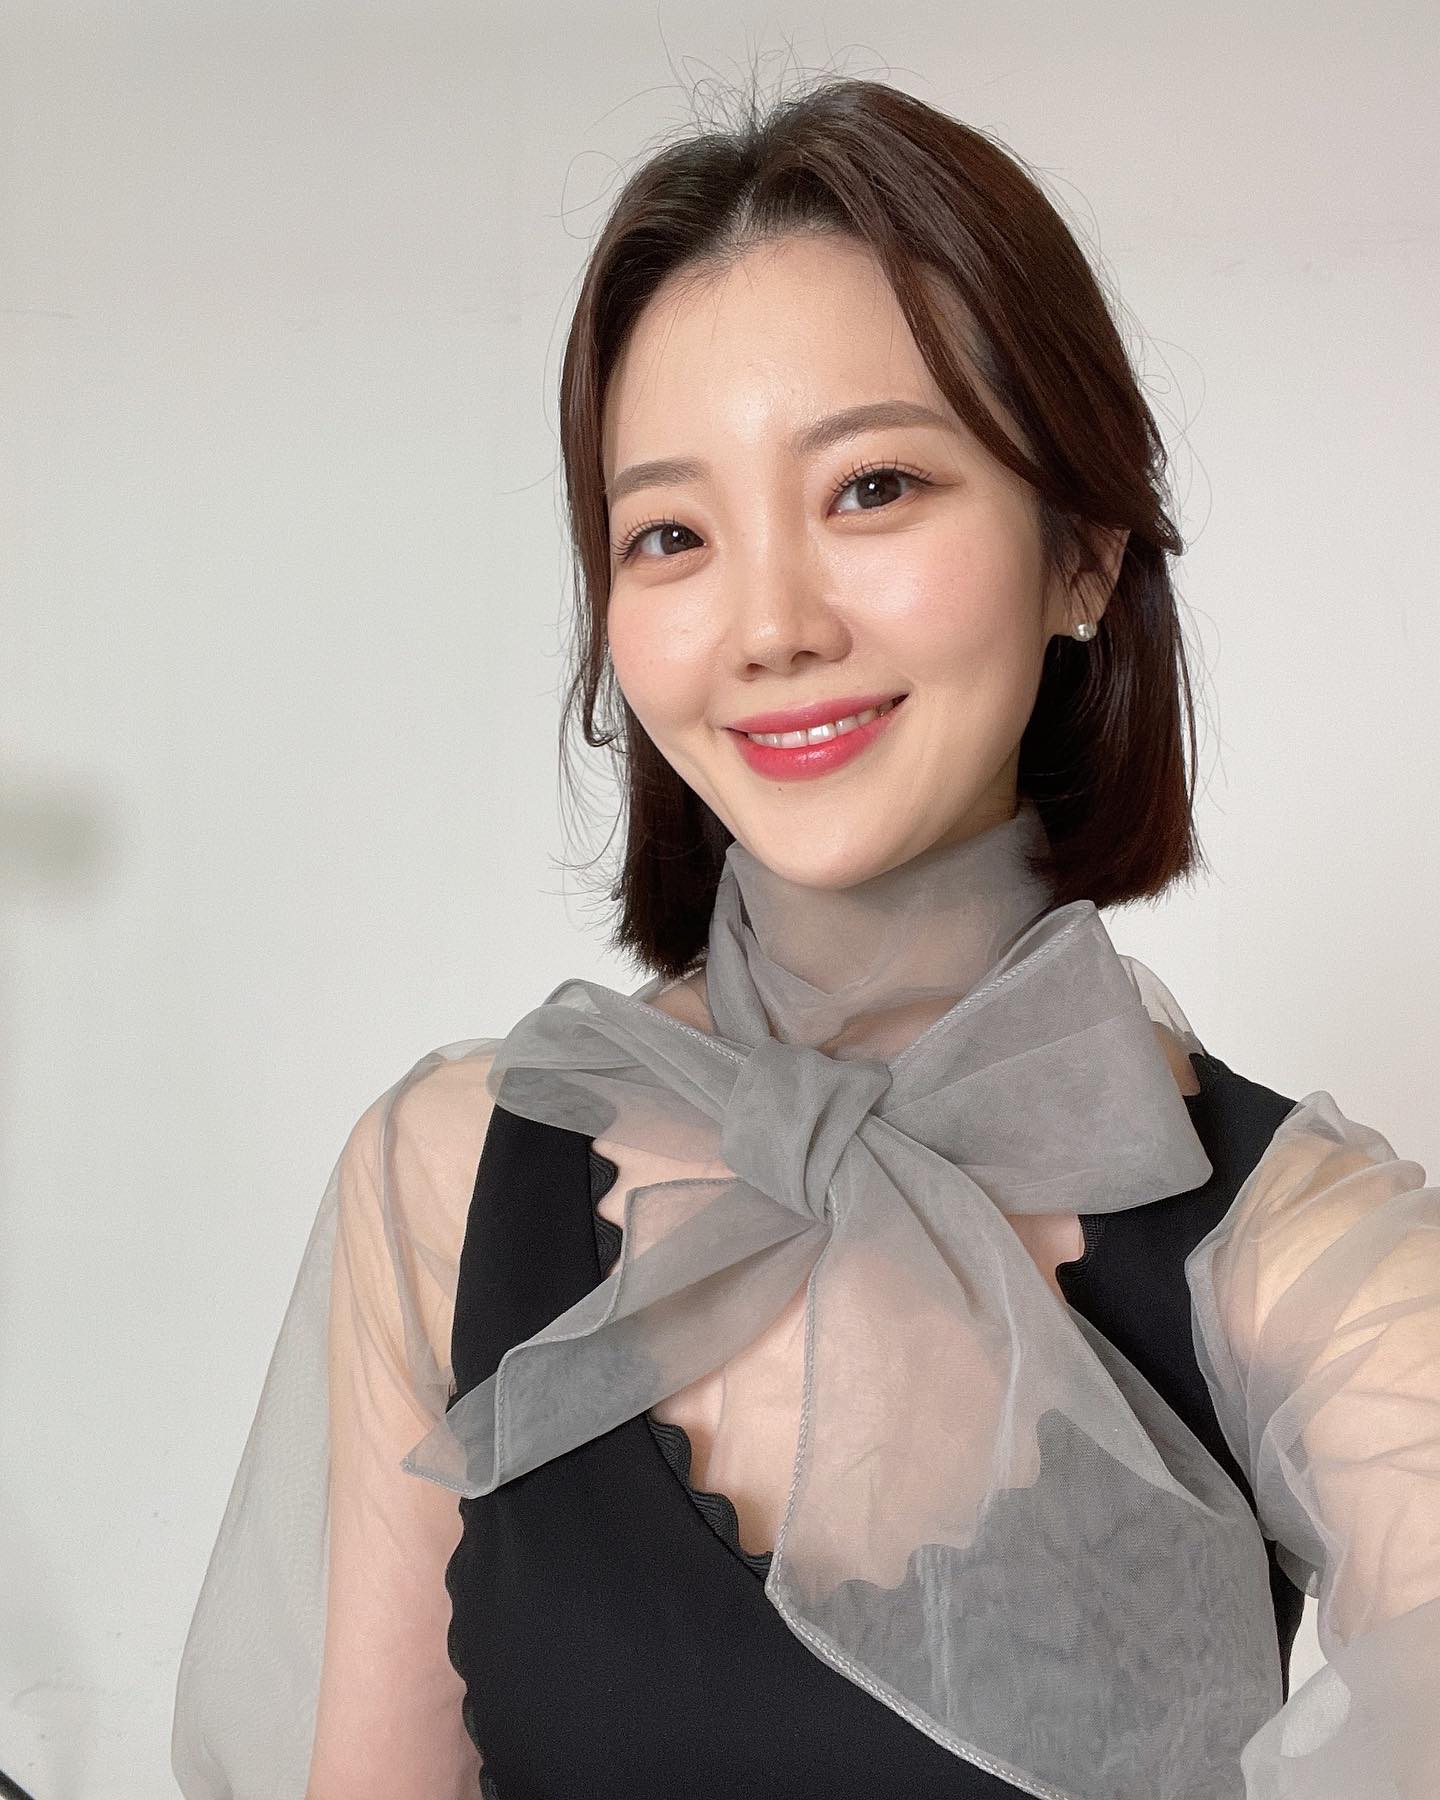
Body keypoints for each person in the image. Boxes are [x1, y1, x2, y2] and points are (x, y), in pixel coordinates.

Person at [171, 76, 1438, 1800]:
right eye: (672, 534)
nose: (769, 624)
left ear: (1082, 552)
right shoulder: (448, 1177)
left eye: (873, 487)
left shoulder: (1308, 1251)